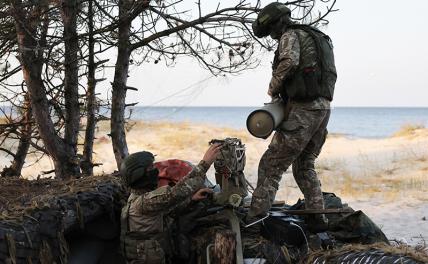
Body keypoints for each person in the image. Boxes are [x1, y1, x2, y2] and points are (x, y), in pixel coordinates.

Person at [248, 2, 337, 231]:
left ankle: (256, 221)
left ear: (277, 24)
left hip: (304, 110)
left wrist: (273, 87)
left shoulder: (290, 36)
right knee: (304, 165)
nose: (271, 37)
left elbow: (289, 61)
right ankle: (318, 219)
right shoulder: (314, 36)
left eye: (270, 32)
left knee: (271, 165)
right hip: (323, 108)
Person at [120, 143, 222, 263]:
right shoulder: (144, 202)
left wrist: (191, 200)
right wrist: (205, 164)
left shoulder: (137, 197)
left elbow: (168, 212)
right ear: (139, 175)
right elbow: (177, 192)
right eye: (150, 168)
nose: (155, 170)